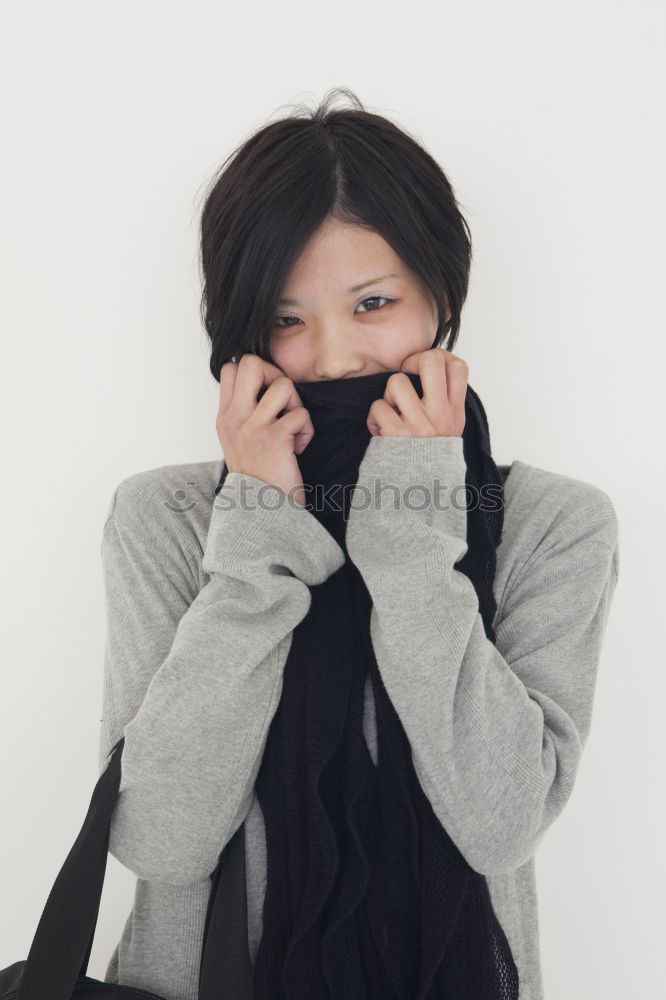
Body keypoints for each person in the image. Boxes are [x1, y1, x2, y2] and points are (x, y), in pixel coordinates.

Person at [98, 87, 620, 1000]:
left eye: (372, 301)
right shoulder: (171, 521)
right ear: (239, 339)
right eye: (286, 319)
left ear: (440, 297)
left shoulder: (554, 526)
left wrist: (412, 523)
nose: (335, 357)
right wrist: (258, 529)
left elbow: (499, 822)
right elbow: (159, 838)